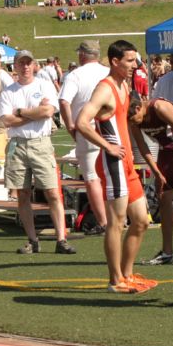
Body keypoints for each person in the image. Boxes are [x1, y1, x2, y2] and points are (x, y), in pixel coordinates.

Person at [76, 40, 155, 294]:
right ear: (115, 61)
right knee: (117, 222)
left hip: (127, 163)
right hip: (114, 163)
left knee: (141, 220)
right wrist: (107, 146)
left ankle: (127, 273)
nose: (135, 65)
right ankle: (115, 280)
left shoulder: (124, 83)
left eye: (135, 60)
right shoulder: (105, 88)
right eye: (130, 61)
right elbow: (82, 122)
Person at [0, 50, 75, 255]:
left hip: (40, 143)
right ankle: (32, 239)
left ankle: (61, 239)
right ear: (14, 66)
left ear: (33, 65)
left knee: (52, 191)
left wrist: (21, 112)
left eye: (28, 63)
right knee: (22, 194)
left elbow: (48, 111)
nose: (25, 67)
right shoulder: (8, 92)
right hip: (17, 144)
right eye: (21, 63)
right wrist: (35, 113)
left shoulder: (43, 85)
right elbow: (6, 120)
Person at [58, 40, 110, 235]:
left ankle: (104, 222)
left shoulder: (75, 75)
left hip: (86, 127)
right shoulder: (107, 72)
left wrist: (70, 125)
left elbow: (64, 101)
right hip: (109, 128)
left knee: (91, 177)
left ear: (82, 55)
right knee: (110, 174)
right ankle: (115, 217)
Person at [128, 94, 173, 266]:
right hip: (166, 152)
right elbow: (142, 146)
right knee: (163, 197)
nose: (132, 122)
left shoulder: (159, 107)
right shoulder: (134, 119)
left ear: (138, 108)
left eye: (132, 118)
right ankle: (167, 252)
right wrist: (156, 171)